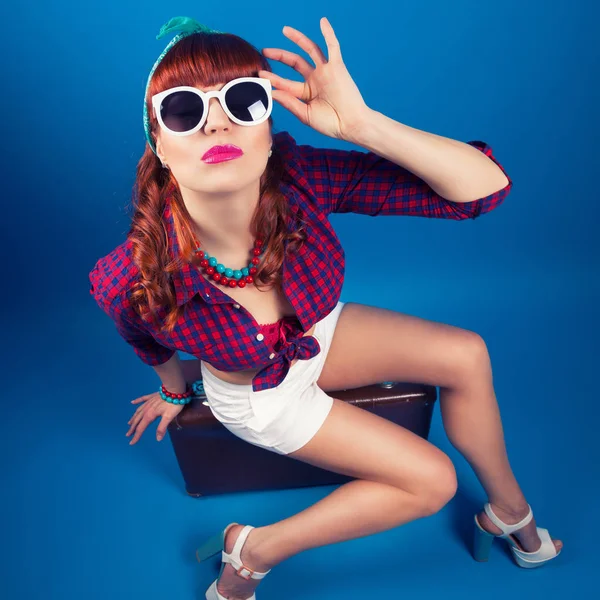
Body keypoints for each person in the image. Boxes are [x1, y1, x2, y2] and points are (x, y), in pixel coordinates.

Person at [89, 15, 562, 600]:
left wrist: (363, 125)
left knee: (466, 352)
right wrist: (174, 389)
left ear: (266, 131)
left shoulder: (299, 180)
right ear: (159, 144)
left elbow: (481, 191)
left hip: (318, 335)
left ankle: (508, 509)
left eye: (242, 101)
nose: (215, 122)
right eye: (184, 110)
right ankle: (253, 550)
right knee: (432, 483)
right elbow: (148, 338)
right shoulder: (131, 275)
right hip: (264, 396)